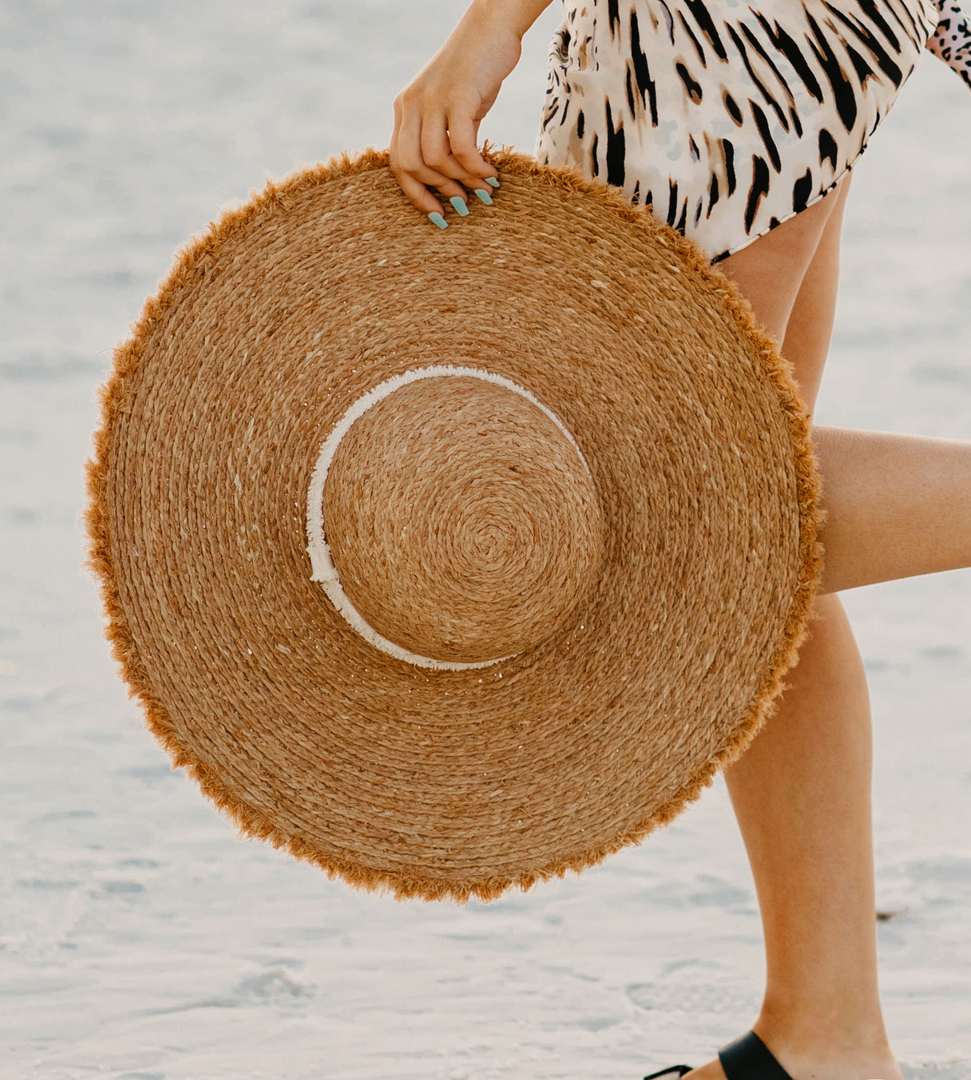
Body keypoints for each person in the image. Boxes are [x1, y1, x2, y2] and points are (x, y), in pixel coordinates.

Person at [387, 1, 971, 1077]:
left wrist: (488, 30)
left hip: (722, 32)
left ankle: (828, 1039)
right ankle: (826, 1037)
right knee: (756, 540)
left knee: (677, 511)